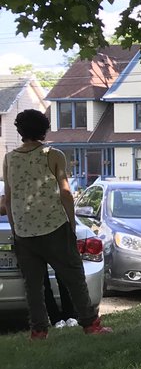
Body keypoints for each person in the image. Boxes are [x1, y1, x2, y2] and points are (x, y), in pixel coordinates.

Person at [1, 108, 107, 338]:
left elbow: (8, 199)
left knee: (33, 284)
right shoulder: (53, 155)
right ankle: (90, 325)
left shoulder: (9, 159)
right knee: (74, 277)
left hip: (24, 232)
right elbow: (65, 192)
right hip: (54, 227)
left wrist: (16, 228)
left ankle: (38, 331)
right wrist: (71, 223)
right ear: (44, 130)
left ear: (19, 131)